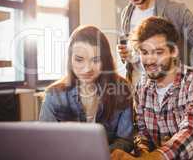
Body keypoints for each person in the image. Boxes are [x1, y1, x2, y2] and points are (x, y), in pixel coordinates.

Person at [111, 17, 193, 159]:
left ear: (174, 51)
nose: (149, 60)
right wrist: (142, 151)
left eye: (158, 52)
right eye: (144, 52)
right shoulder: (142, 88)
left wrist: (151, 158)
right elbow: (142, 134)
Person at [39, 25, 133, 153]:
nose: (87, 69)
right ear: (70, 60)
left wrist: (96, 155)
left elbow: (125, 140)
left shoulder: (123, 90)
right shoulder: (54, 95)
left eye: (96, 60)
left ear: (105, 61)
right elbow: (45, 142)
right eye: (79, 60)